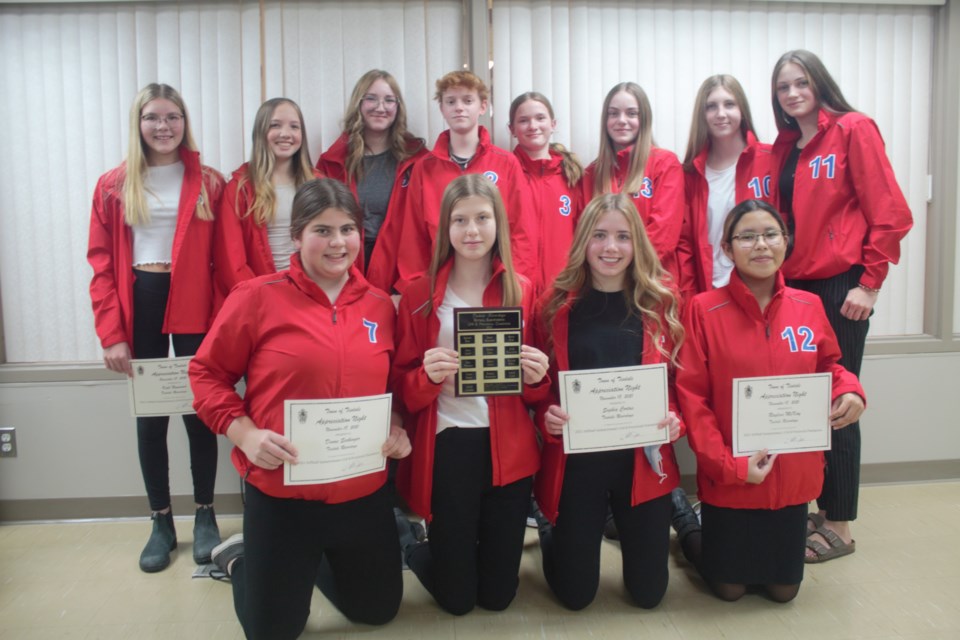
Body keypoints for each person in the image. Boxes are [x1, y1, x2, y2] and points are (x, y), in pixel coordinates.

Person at [189, 178, 412, 640]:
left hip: (362, 492)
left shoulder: (379, 306)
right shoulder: (256, 297)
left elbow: (394, 387)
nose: (338, 243)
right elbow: (206, 374)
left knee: (378, 611)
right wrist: (244, 433)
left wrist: (395, 424)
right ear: (296, 235)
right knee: (273, 632)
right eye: (322, 230)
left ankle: (310, 566)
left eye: (347, 229)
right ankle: (241, 559)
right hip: (284, 495)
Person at [675, 199, 866, 602]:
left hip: (791, 474)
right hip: (733, 476)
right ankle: (689, 530)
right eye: (747, 236)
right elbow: (693, 397)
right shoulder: (703, 309)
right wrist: (730, 466)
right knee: (728, 590)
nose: (760, 245)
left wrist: (848, 389)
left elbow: (829, 366)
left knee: (783, 592)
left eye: (770, 234)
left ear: (785, 242)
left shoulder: (808, 305)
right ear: (727, 249)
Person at [769, 49, 912, 562]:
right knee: (806, 404)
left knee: (839, 403)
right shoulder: (788, 145)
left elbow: (891, 212)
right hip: (796, 289)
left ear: (818, 82)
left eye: (800, 82)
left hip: (841, 288)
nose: (791, 93)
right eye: (783, 86)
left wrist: (869, 284)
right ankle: (822, 506)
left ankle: (842, 527)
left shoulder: (854, 129)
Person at [390, 174, 551, 615]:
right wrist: (426, 376)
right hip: (448, 445)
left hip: (510, 450)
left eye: (482, 218)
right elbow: (401, 389)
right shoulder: (419, 296)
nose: (472, 231)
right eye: (460, 220)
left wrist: (537, 378)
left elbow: (540, 395)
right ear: (445, 228)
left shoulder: (524, 290)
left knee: (498, 597)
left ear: (498, 223)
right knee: (457, 601)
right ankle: (413, 546)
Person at [87, 83, 224, 573]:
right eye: (152, 118)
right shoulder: (113, 184)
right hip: (141, 300)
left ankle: (205, 513)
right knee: (151, 417)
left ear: (184, 122)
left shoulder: (210, 181)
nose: (163, 127)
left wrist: (230, 326)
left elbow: (225, 261)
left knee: (199, 410)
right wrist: (111, 334)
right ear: (138, 124)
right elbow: (101, 264)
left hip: (195, 302)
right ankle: (161, 520)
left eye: (172, 117)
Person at [531, 192, 684, 610]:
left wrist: (676, 420)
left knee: (650, 595)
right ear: (583, 241)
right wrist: (548, 413)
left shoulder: (661, 304)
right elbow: (539, 386)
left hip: (641, 462)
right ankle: (551, 531)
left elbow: (681, 385)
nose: (611, 248)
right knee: (575, 596)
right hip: (579, 463)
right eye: (599, 235)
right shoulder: (554, 306)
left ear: (638, 244)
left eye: (622, 236)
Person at [376, 69, 535, 294]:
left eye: (467, 100)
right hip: (440, 287)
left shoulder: (506, 163)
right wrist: (416, 288)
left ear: (482, 106)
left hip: (495, 284)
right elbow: (413, 235)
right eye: (451, 101)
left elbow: (522, 230)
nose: (459, 107)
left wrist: (516, 283)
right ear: (442, 108)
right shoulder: (424, 166)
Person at [318, 69, 427, 279]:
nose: (380, 107)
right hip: (344, 271)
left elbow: (426, 230)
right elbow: (319, 226)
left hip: (400, 274)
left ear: (398, 106)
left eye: (389, 100)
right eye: (371, 99)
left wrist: (406, 287)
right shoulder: (331, 163)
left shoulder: (418, 161)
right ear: (359, 103)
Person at [678, 74, 773, 300]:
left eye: (729, 104)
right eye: (711, 106)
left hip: (761, 289)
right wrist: (690, 297)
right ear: (702, 115)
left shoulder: (771, 159)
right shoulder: (689, 174)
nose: (720, 114)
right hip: (710, 290)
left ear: (742, 109)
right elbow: (685, 244)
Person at [214, 98, 319, 300]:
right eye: (275, 125)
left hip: (312, 294)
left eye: (294, 127)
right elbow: (232, 260)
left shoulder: (318, 184)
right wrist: (263, 297)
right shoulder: (239, 189)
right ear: (260, 132)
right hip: (262, 295)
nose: (285, 134)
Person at [579, 82, 684, 276]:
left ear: (644, 119)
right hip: (603, 282)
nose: (622, 120)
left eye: (631, 113)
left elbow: (664, 234)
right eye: (613, 113)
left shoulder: (665, 163)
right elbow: (584, 236)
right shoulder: (591, 174)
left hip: (651, 280)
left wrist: (626, 270)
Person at [508, 91, 583, 292]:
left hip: (563, 287)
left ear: (553, 124)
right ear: (512, 129)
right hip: (516, 287)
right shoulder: (504, 172)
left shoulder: (573, 175)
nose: (533, 126)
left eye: (540, 118)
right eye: (523, 120)